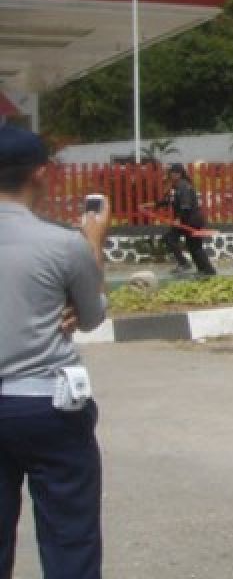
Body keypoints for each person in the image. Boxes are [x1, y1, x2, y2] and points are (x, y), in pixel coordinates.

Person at [0, 125, 110, 579]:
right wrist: (94, 242)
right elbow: (89, 316)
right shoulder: (64, 244)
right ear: (41, 174)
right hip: (47, 403)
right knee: (70, 535)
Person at [152, 163, 215, 277]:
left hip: (192, 220)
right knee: (181, 242)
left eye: (172, 173)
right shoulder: (177, 187)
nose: (170, 175)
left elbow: (185, 205)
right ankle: (197, 267)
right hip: (187, 220)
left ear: (178, 174)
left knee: (193, 246)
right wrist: (158, 204)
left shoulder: (183, 186)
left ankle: (206, 270)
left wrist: (178, 219)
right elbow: (171, 200)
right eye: (170, 173)